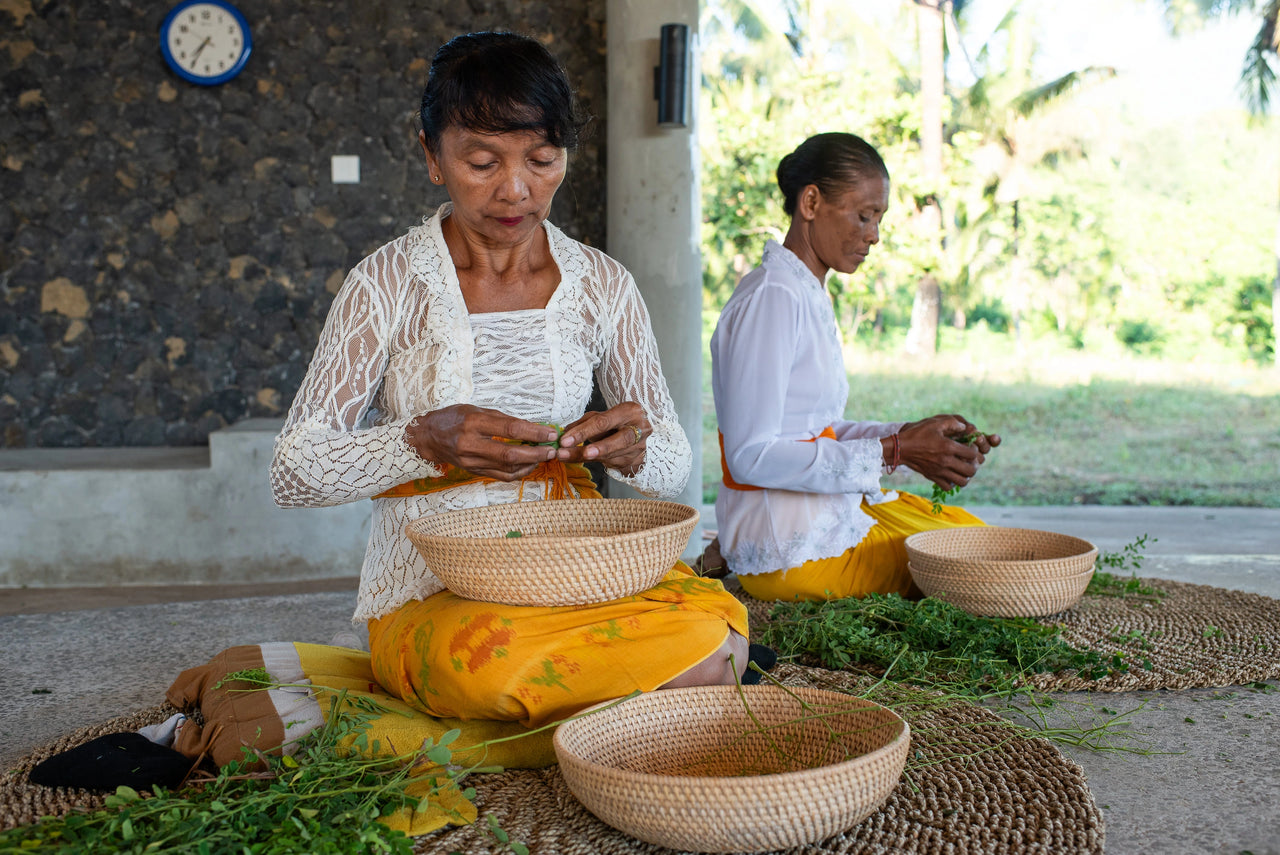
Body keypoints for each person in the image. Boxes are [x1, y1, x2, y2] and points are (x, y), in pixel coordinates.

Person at [270, 32, 751, 729]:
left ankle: (607, 700)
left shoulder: (602, 285)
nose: (516, 189)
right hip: (435, 592)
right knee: (493, 666)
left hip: (573, 569)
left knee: (720, 639)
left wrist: (633, 447)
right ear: (432, 156)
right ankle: (628, 702)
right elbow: (294, 470)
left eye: (542, 159)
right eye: (482, 162)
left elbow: (675, 464)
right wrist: (420, 441)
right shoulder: (386, 283)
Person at [708, 132, 1000, 603]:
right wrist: (895, 451)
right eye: (864, 216)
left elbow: (814, 429)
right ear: (810, 203)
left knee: (969, 534)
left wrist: (911, 438)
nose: (874, 235)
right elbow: (751, 456)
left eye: (878, 219)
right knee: (975, 560)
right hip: (790, 550)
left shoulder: (804, 292)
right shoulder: (773, 298)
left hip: (821, 518)